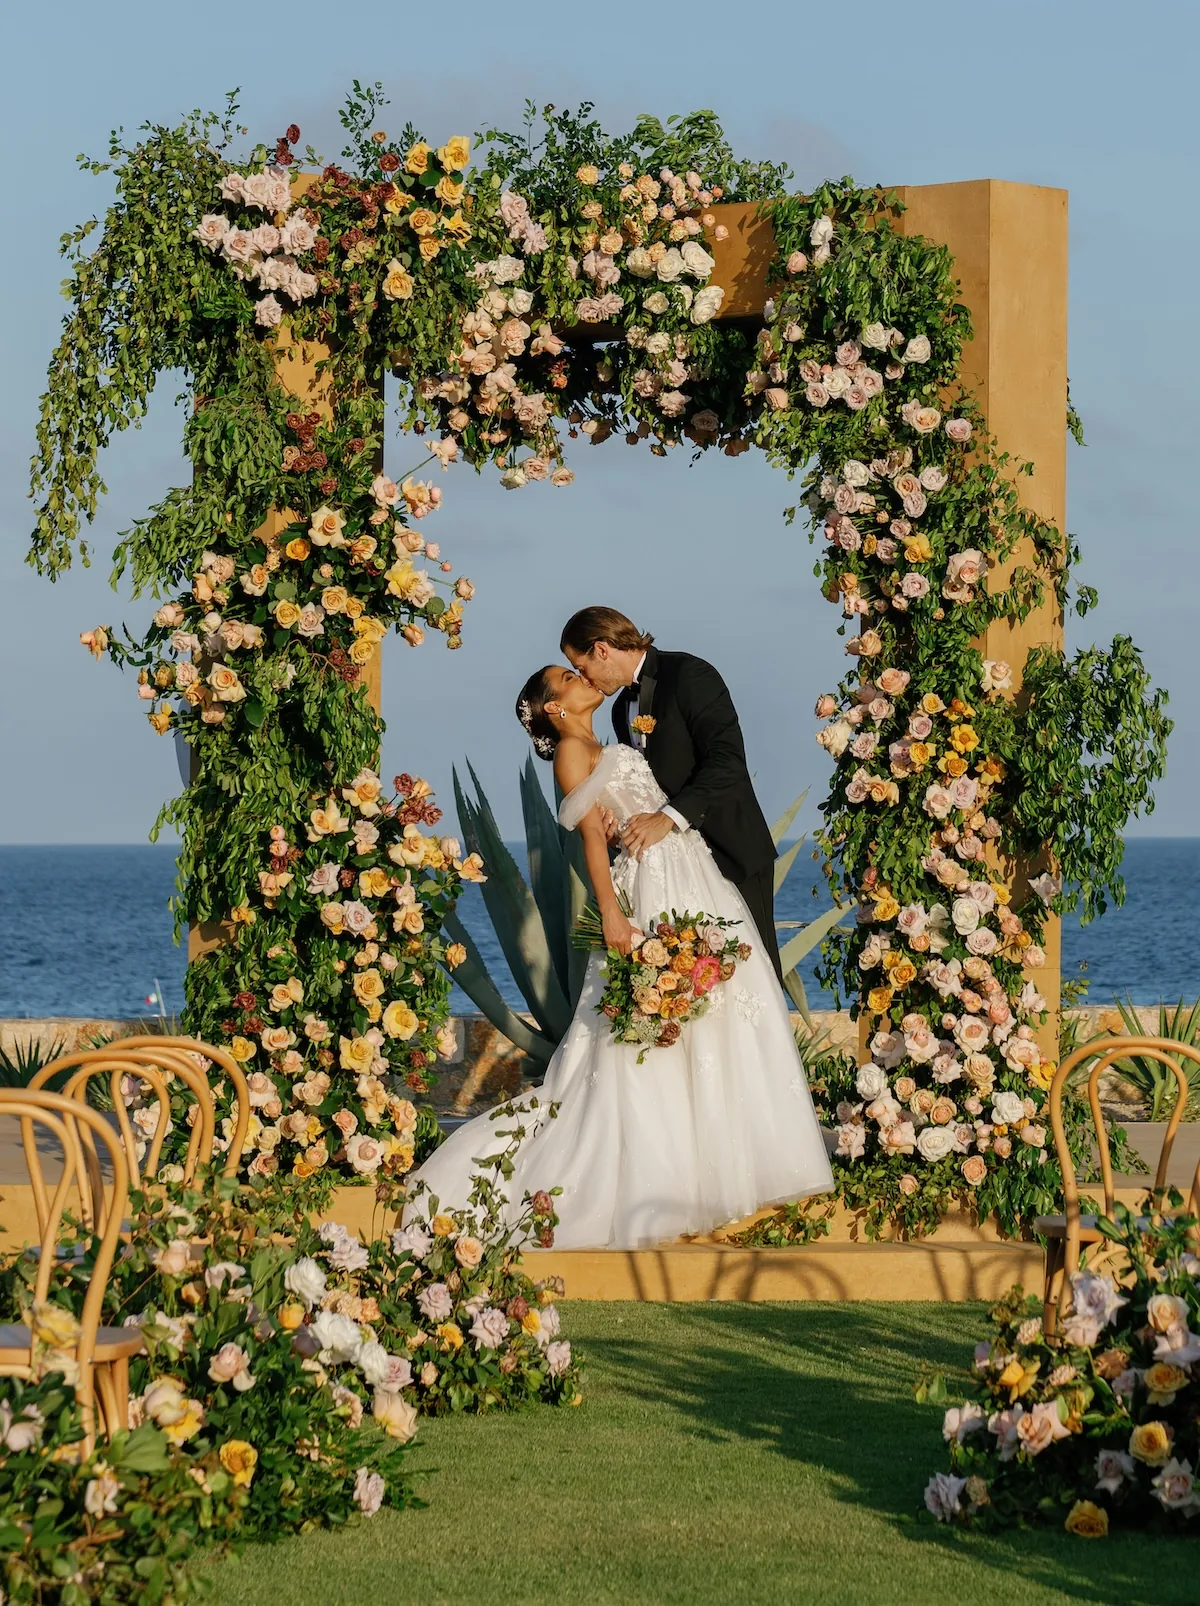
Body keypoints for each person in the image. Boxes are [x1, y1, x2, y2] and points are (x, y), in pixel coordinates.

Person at [406, 652, 833, 1251]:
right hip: (651, 884)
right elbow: (591, 848)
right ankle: (683, 1186)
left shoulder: (607, 738)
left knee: (722, 1010)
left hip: (690, 869)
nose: (581, 679)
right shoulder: (573, 753)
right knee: (658, 1025)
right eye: (567, 677)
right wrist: (611, 912)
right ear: (555, 708)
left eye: (577, 669)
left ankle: (729, 1177)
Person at [561, 605, 782, 979]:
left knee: (755, 979)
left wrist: (668, 819)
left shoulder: (690, 675)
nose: (585, 678)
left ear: (601, 649)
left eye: (581, 666)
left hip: (731, 850)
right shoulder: (620, 711)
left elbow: (727, 762)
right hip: (675, 872)